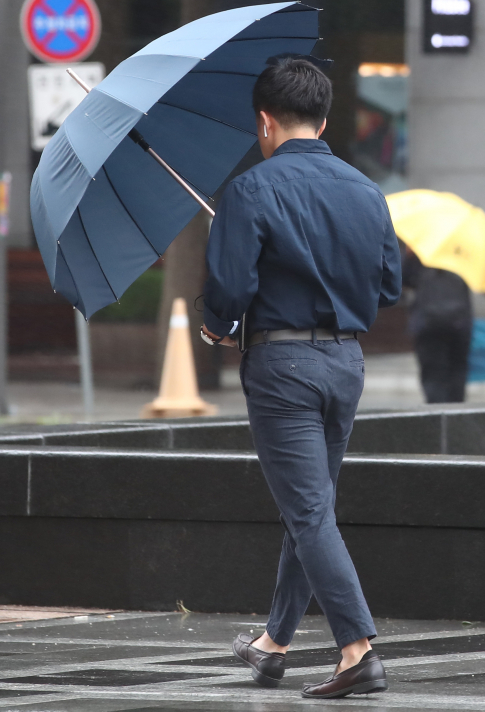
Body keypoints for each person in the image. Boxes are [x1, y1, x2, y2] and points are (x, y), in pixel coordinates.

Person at [200, 55, 401, 699]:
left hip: (281, 366)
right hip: (345, 363)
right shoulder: (366, 189)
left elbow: (227, 293)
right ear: (324, 116)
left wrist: (214, 326)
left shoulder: (250, 190)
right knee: (309, 506)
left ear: (264, 121)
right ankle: (274, 643)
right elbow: (391, 285)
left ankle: (357, 647)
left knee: (309, 510)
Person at [400, 244, 485, 404]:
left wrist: (408, 256)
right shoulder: (464, 251)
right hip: (457, 321)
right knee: (454, 370)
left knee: (436, 372)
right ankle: (454, 414)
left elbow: (401, 279)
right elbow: (481, 278)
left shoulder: (422, 250)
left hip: (431, 321)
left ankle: (439, 414)